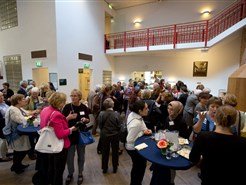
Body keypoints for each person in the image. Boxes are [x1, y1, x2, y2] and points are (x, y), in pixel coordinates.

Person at [189, 105, 246, 185]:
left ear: (215, 118)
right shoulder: (242, 142)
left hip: (209, 178)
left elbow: (193, 158)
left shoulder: (204, 136)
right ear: (234, 121)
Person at [33, 92, 77, 185]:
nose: (64, 103)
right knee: (58, 171)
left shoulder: (45, 110)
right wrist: (71, 129)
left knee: (51, 168)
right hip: (58, 146)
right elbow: (60, 134)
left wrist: (66, 118)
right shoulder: (56, 114)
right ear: (59, 102)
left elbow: (51, 125)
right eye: (63, 102)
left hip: (48, 144)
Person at [62, 89, 91, 185]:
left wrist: (85, 119)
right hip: (70, 135)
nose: (73, 97)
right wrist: (68, 118)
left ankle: (80, 173)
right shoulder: (67, 107)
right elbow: (61, 122)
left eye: (75, 96)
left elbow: (88, 119)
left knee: (81, 156)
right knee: (70, 157)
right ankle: (70, 174)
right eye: (72, 95)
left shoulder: (84, 107)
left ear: (79, 97)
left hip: (81, 135)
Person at [125, 100, 152, 185]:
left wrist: (144, 130)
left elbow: (142, 124)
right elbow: (129, 139)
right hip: (133, 148)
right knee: (139, 168)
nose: (148, 109)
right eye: (146, 108)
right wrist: (142, 132)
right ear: (140, 111)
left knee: (137, 167)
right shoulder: (136, 123)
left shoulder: (134, 114)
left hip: (133, 146)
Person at [2, 94, 30, 174]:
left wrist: (32, 113)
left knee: (20, 150)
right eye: (23, 99)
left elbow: (27, 113)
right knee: (20, 150)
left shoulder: (18, 108)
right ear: (18, 101)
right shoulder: (13, 110)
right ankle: (16, 167)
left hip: (19, 132)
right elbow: (21, 120)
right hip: (15, 134)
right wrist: (30, 117)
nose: (25, 100)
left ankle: (18, 165)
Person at [98, 98, 121, 174]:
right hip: (115, 135)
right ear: (113, 105)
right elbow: (119, 125)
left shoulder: (101, 114)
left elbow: (100, 125)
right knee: (115, 152)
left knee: (105, 151)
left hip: (104, 135)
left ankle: (104, 168)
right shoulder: (117, 114)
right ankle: (115, 167)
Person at [0, 92, 11, 161]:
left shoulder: (3, 103)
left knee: (5, 140)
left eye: (2, 96)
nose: (2, 97)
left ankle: (6, 152)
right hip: (1, 125)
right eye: (0, 96)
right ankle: (2, 157)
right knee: (2, 141)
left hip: (6, 124)